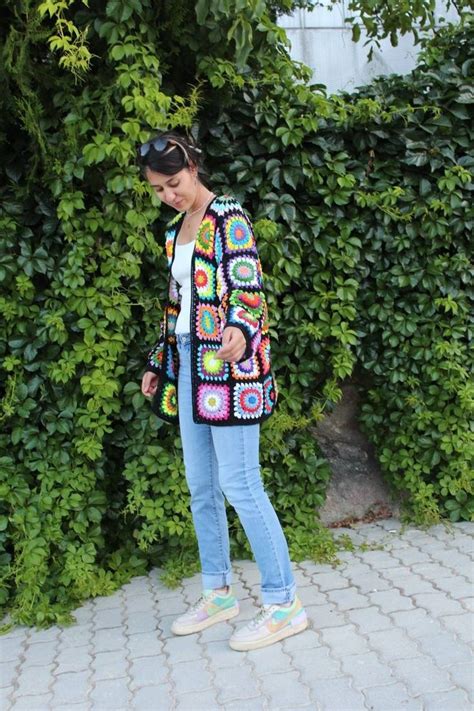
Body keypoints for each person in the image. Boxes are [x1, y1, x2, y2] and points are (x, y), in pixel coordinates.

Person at [138, 131, 308, 651]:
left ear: (193, 166)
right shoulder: (174, 232)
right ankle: (219, 593)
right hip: (189, 361)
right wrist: (159, 362)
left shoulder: (228, 216)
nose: (170, 194)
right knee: (200, 486)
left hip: (229, 365)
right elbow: (177, 307)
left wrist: (239, 327)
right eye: (158, 189)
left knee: (241, 485)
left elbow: (248, 287)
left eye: (174, 182)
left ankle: (284, 604)